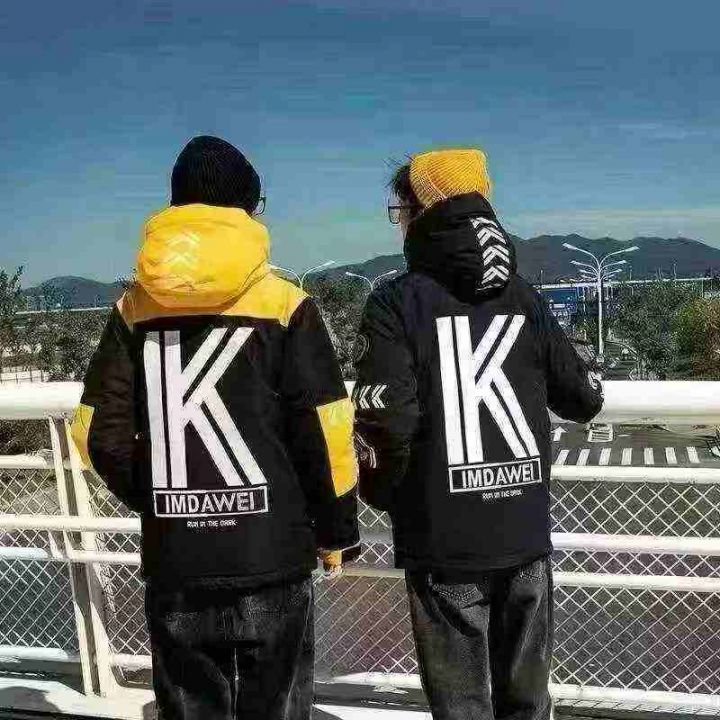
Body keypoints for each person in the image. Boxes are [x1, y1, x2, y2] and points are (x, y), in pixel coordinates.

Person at [71, 136, 359, 720]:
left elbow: (96, 431)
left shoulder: (133, 308)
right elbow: (325, 432)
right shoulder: (286, 304)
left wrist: (162, 497)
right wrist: (335, 532)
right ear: (249, 210)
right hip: (273, 553)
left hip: (177, 559)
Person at [353, 148, 603, 720]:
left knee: (461, 707)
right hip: (523, 532)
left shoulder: (395, 301)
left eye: (399, 211)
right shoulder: (524, 296)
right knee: (527, 703)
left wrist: (387, 495)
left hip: (443, 539)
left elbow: (387, 418)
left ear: (418, 212)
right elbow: (583, 399)